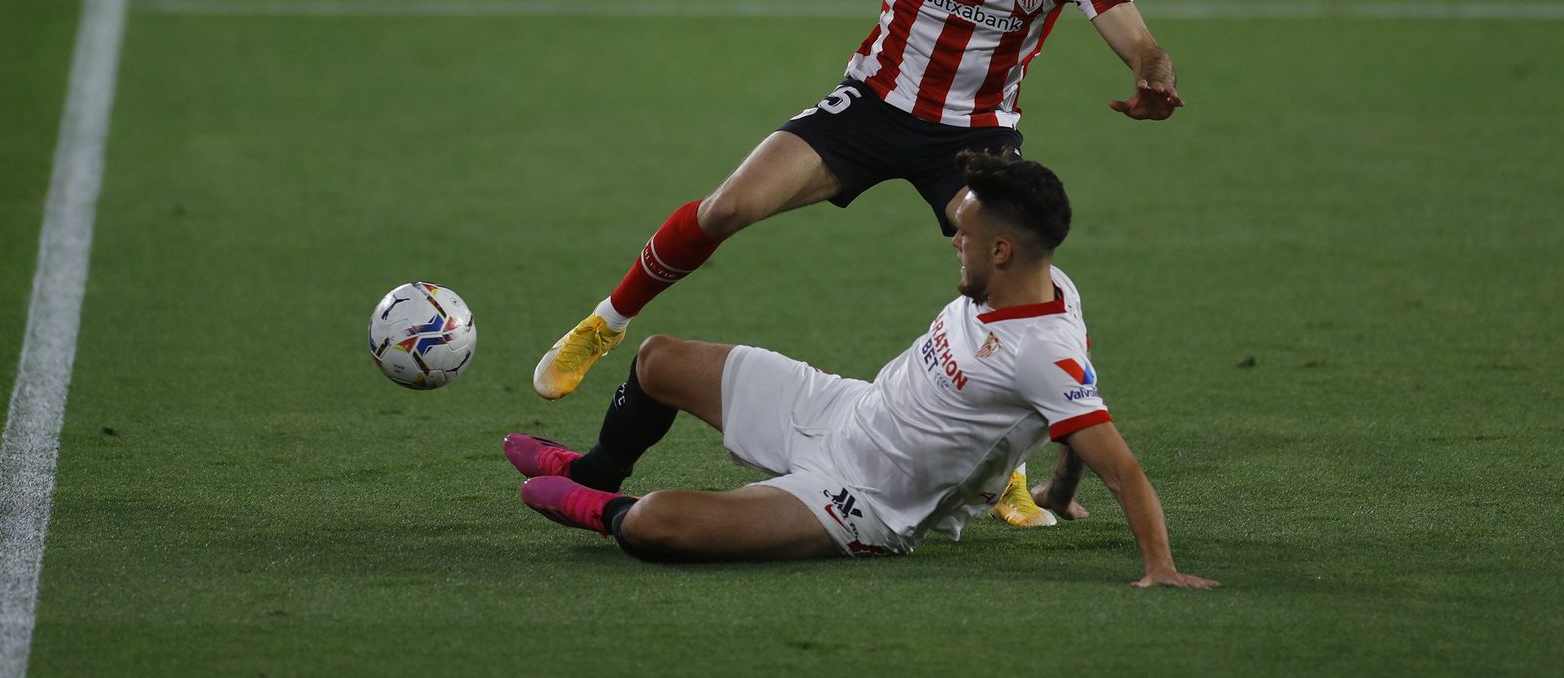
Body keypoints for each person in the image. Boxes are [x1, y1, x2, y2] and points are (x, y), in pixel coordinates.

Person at [532, 0, 1183, 527]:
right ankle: (606, 323)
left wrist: (1153, 79)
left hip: (974, 134)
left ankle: (1007, 474)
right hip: (871, 107)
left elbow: (1137, 37)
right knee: (727, 208)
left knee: (1005, 269)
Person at [506, 151, 1216, 587]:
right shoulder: (1041, 287)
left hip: (860, 501)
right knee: (659, 359)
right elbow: (1074, 411)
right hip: (844, 410)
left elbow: (1120, 463)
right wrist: (1059, 492)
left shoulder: (1040, 349)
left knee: (654, 525)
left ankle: (598, 511)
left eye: (963, 235)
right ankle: (596, 472)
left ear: (1002, 252)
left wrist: (1159, 566)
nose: (953, 244)